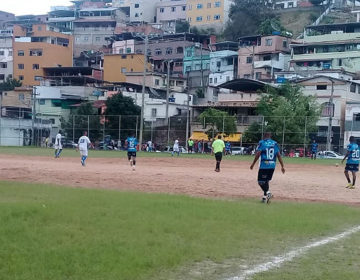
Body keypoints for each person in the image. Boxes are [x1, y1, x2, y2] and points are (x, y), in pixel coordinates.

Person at [250, 132, 285, 204]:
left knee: (260, 181)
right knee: (266, 181)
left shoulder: (262, 143)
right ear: (270, 136)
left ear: (264, 136)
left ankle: (268, 193)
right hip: (272, 165)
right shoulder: (274, 143)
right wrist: (282, 166)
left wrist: (253, 163)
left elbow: (258, 154)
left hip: (264, 165)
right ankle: (264, 197)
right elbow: (278, 155)